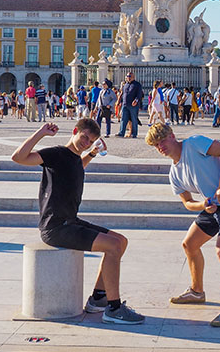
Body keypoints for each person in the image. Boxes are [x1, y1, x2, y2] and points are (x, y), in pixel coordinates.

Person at [11, 118, 144, 324]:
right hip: (55, 227)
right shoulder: (56, 154)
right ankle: (114, 308)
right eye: (84, 137)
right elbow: (18, 157)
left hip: (70, 221)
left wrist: (91, 154)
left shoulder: (74, 157)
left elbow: (76, 167)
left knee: (121, 240)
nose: (86, 142)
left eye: (90, 141)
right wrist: (41, 133)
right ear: (75, 131)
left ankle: (99, 298)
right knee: (113, 246)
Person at [145, 123, 220, 327]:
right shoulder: (174, 173)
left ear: (173, 135)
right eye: (156, 145)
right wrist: (204, 205)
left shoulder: (194, 143)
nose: (161, 147)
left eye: (163, 140)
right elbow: (187, 203)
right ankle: (196, 291)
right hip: (213, 206)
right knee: (189, 244)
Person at [117, 71, 143, 138]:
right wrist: (119, 101)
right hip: (125, 104)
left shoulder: (137, 85)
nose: (128, 77)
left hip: (133, 105)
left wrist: (136, 100)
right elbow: (122, 94)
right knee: (123, 119)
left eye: (130, 76)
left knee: (134, 119)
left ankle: (134, 134)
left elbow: (139, 94)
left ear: (133, 77)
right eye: (127, 76)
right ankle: (121, 132)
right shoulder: (125, 85)